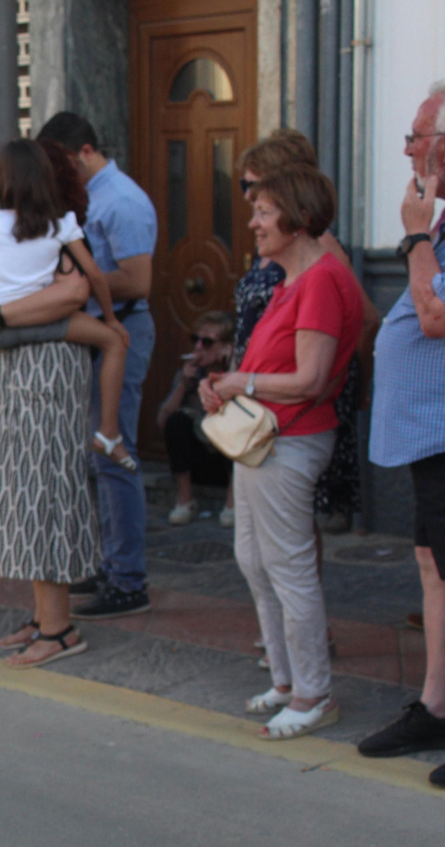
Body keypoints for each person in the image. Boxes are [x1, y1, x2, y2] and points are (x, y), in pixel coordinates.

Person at [198, 165, 362, 740]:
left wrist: (239, 382)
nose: (253, 222)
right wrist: (228, 383)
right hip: (269, 438)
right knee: (256, 558)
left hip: (289, 440)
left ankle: (314, 693)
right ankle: (290, 681)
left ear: (295, 218)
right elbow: (274, 370)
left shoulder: (319, 280)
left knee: (287, 568)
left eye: (263, 212)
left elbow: (311, 379)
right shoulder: (295, 279)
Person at [0, 140, 116, 669]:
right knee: (21, 490)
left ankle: (60, 628)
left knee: (46, 489)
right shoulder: (32, 225)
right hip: (11, 370)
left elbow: (81, 287)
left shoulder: (50, 227)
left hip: (41, 370)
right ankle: (45, 617)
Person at [355, 83, 445, 783]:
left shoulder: (430, 227)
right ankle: (436, 705)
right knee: (431, 566)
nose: (409, 147)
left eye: (419, 135)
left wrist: (414, 235)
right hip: (429, 434)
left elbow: (438, 315)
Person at [37, 111, 160, 621]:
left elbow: (139, 279)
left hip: (119, 332)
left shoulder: (121, 200)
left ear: (81, 152)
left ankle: (128, 578)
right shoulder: (86, 200)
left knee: (114, 454)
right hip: (89, 336)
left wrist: (79, 284)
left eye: (59, 162)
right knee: (92, 460)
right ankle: (107, 564)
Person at [0, 139, 133, 472]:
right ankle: (108, 432)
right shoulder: (62, 223)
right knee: (114, 342)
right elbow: (94, 275)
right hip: (45, 323)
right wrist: (110, 318)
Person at [234, 130, 379, 534]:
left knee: (293, 532)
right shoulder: (272, 240)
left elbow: (366, 317)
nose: (247, 198)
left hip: (297, 403)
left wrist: (356, 384)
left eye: (253, 186)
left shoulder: (318, 247)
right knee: (264, 542)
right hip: (257, 396)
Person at [157, 312, 236, 524]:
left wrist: (229, 370)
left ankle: (233, 501)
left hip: (228, 459)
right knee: (176, 421)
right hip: (199, 459)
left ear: (226, 346)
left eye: (208, 342)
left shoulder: (236, 375)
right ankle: (185, 500)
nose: (199, 347)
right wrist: (183, 385)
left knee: (233, 424)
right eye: (196, 340)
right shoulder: (189, 374)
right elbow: (162, 422)